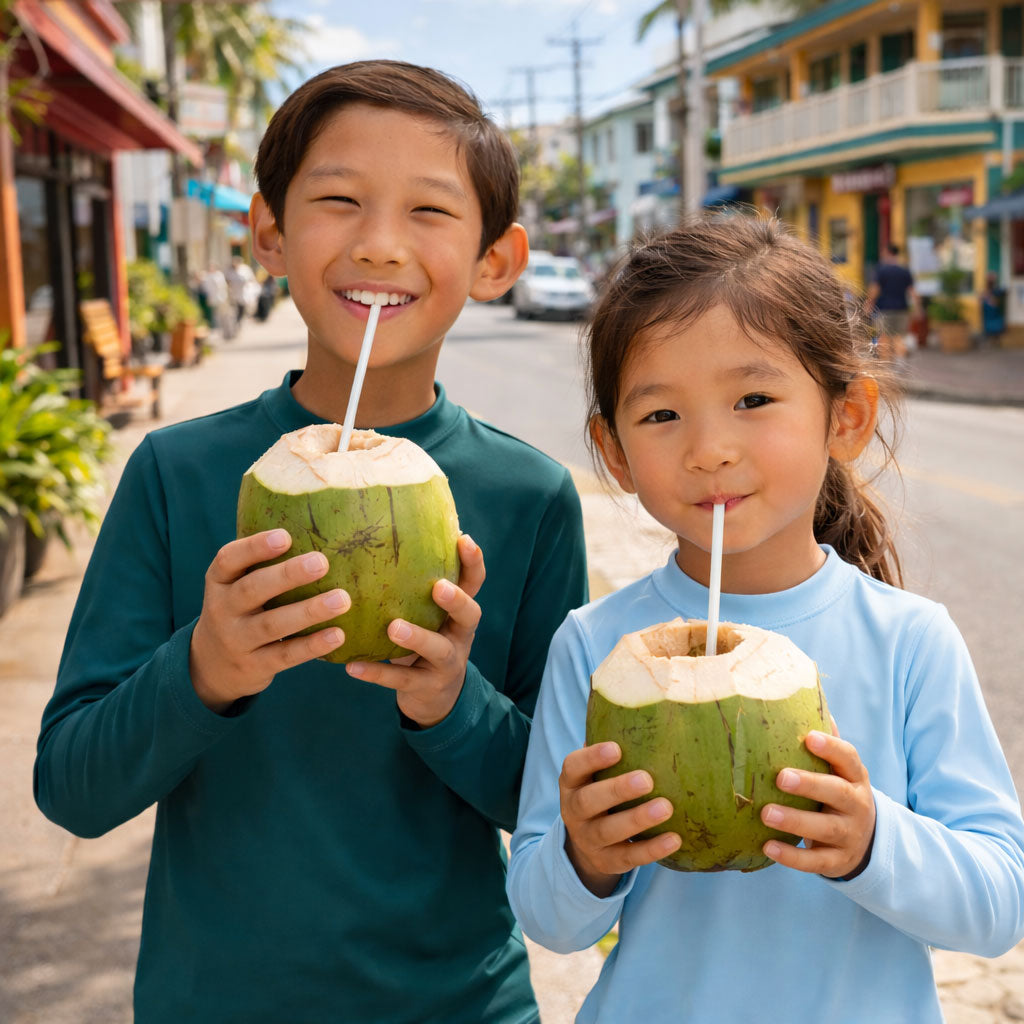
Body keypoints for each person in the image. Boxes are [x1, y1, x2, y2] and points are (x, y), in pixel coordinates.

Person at [34, 60, 588, 1024]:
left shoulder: (528, 495)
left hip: (458, 1004)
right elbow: (74, 788)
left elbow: (552, 806)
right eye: (338, 200)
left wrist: (451, 701)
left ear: (496, 261)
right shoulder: (178, 475)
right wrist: (205, 666)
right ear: (270, 234)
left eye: (429, 211)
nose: (379, 244)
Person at [507, 214, 1024, 1023]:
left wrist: (872, 839)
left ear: (845, 417)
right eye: (661, 415)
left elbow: (999, 906)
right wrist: (585, 857)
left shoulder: (908, 640)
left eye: (753, 398)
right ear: (613, 452)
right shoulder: (596, 645)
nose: (710, 448)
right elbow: (550, 921)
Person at [865, 242, 918, 361]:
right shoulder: (905, 271)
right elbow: (913, 293)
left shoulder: (881, 270)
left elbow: (875, 290)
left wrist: (868, 304)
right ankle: (901, 364)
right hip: (902, 310)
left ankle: (886, 368)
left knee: (884, 338)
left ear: (887, 253)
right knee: (899, 337)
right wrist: (917, 309)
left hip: (884, 310)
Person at [981, 270, 1007, 347]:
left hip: (994, 310)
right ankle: (991, 340)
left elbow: (1001, 293)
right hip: (989, 309)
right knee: (989, 324)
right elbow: (983, 296)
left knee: (995, 324)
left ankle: (996, 340)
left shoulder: (997, 288)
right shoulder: (986, 288)